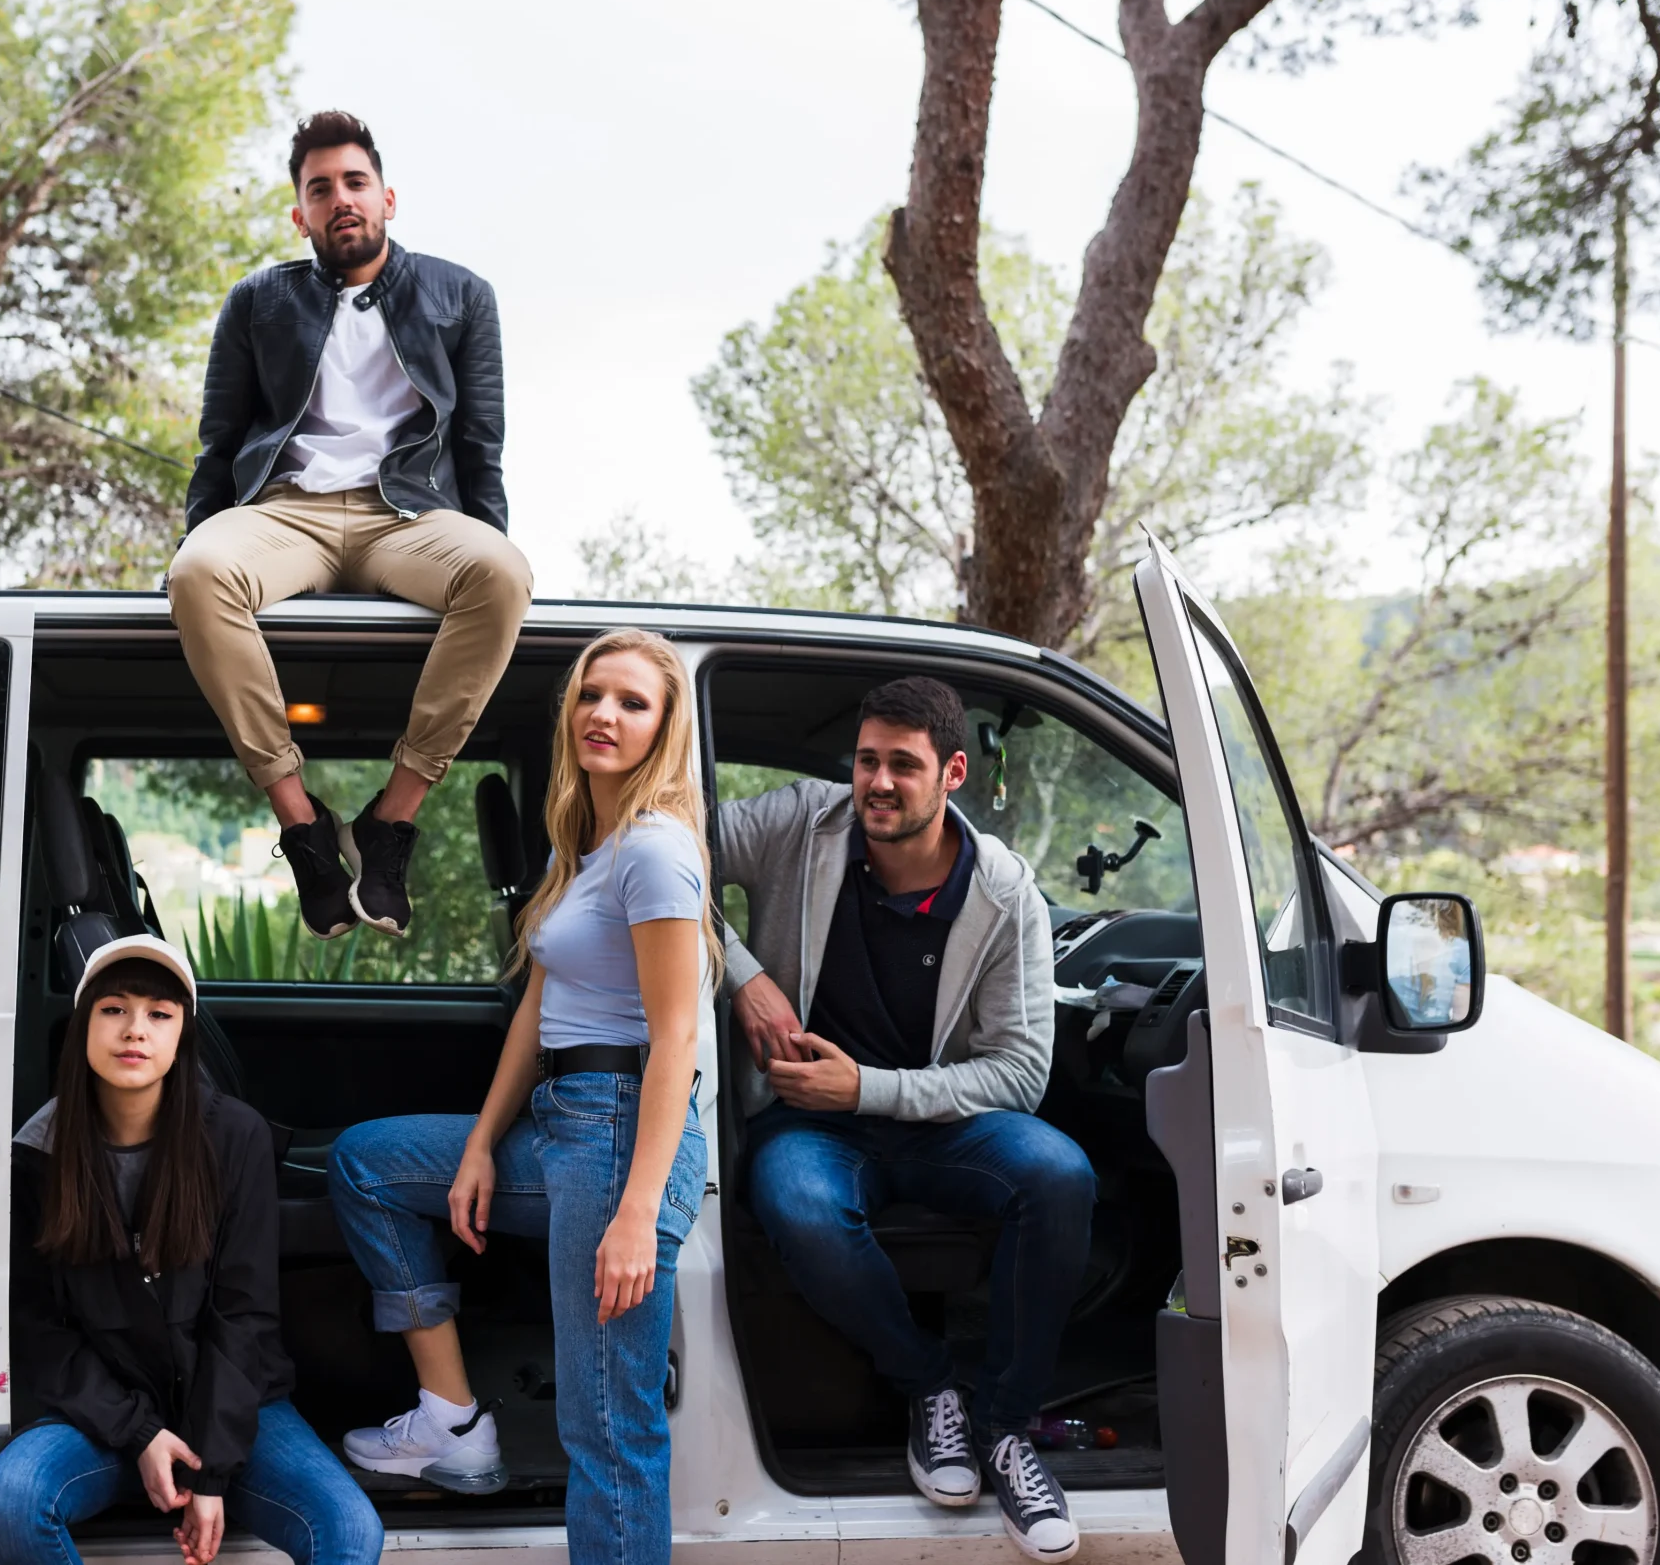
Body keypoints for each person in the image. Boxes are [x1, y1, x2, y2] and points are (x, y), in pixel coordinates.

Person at [326, 629, 712, 1565]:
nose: (603, 715)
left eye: (631, 702)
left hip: (623, 1135)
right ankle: (450, 1417)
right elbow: (538, 1011)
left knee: (609, 1432)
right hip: (566, 1122)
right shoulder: (586, 844)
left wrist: (634, 1213)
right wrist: (478, 1145)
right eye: (591, 695)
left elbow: (675, 1040)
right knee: (369, 1163)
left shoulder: (655, 851)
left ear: (665, 729)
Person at [720, 677, 1093, 1562]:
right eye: (866, 760)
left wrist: (869, 1089)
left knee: (1061, 1173)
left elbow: (1020, 1073)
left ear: (952, 772)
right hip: (804, 1122)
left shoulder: (1006, 894)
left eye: (903, 765)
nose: (877, 783)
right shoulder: (797, 822)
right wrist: (745, 974)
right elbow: (655, 858)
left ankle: (1005, 1430)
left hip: (931, 1119)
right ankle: (932, 1387)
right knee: (801, 1203)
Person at [168, 109, 531, 945]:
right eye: (319, 188)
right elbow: (218, 446)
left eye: (354, 183)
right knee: (196, 573)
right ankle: (302, 825)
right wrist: (198, 540)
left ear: (388, 198)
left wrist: (488, 552)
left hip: (407, 514)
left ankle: (390, 821)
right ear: (300, 214)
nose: (340, 200)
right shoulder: (257, 301)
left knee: (504, 572)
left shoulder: (461, 295)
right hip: (286, 513)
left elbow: (482, 447)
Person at [0, 929, 383, 1565]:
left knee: (351, 1531)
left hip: (234, 1407)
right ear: (82, 1027)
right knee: (10, 1498)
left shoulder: (233, 1135)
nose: (135, 1030)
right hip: (106, 1413)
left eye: (158, 1015)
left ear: (181, 1036)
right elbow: (38, 1329)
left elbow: (243, 1314)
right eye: (113, 1011)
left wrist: (212, 1472)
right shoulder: (39, 1152)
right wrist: (138, 1432)